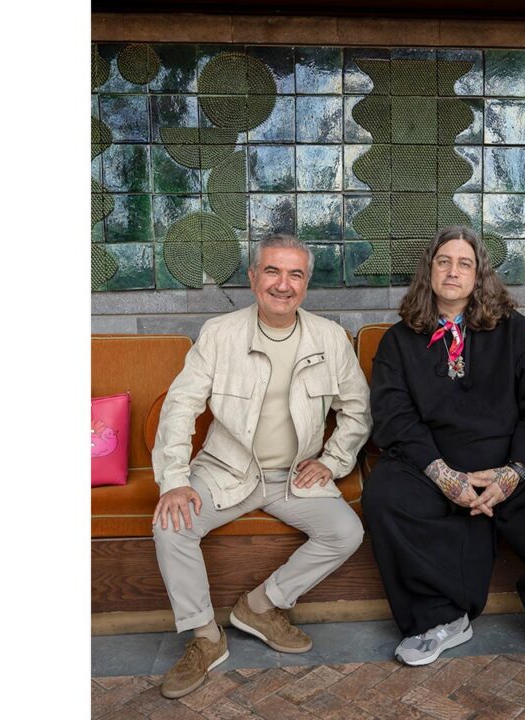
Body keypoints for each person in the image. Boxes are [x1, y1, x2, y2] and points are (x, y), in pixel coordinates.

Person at [361, 226, 525, 674]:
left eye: (464, 263)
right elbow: (395, 417)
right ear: (428, 271)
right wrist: (445, 476)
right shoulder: (398, 341)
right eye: (444, 261)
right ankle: (441, 618)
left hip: (516, 462)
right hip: (435, 463)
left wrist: (513, 472)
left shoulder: (516, 331)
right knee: (386, 494)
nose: (453, 271)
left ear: (479, 274)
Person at [150, 233, 371, 699]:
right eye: (272, 271)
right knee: (171, 524)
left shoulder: (330, 338)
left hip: (294, 476)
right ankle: (205, 637)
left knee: (346, 531)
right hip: (227, 471)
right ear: (253, 278)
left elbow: (357, 410)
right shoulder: (220, 333)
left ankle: (261, 605)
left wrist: (332, 461)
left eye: (295, 274)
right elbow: (180, 407)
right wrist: (174, 480)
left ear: (306, 284)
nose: (283, 284)